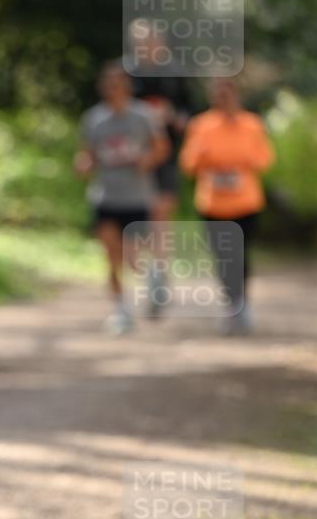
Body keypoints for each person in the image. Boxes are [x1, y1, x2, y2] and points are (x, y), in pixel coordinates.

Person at [74, 61, 169, 334]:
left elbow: (162, 148)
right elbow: (87, 154)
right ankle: (121, 309)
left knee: (133, 257)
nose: (112, 89)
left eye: (117, 84)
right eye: (108, 84)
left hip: (137, 196)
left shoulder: (144, 115)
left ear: (127, 87)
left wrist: (147, 160)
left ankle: (154, 277)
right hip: (105, 195)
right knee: (111, 255)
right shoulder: (94, 119)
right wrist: (83, 164)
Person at [179, 77, 274, 335]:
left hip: (245, 202)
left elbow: (264, 160)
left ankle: (241, 304)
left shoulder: (251, 124)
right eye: (218, 95)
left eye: (227, 95)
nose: (223, 100)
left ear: (236, 96)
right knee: (223, 257)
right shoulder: (201, 125)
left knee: (241, 255)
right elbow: (188, 164)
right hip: (213, 203)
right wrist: (204, 156)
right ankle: (231, 302)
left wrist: (238, 164)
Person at [128, 20, 196, 317]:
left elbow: (191, 116)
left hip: (165, 159)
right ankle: (144, 274)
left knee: (160, 215)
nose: (148, 46)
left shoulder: (175, 74)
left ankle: (158, 275)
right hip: (131, 163)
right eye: (142, 41)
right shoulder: (125, 74)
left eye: (153, 40)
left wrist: (174, 118)